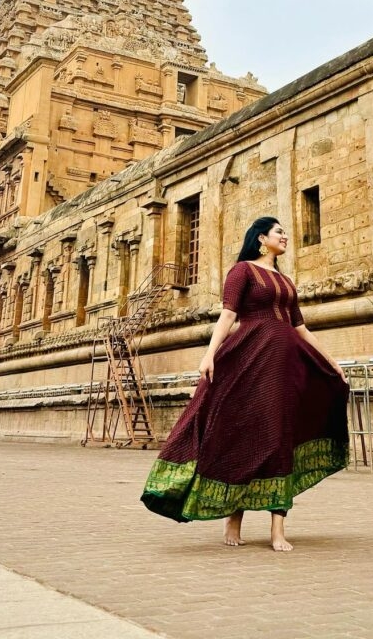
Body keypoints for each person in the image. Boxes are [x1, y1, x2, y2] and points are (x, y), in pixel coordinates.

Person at [141, 216, 349, 552]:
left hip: (285, 366)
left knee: (281, 435)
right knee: (247, 432)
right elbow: (228, 316)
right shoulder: (242, 271)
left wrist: (331, 360)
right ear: (260, 238)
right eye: (279, 232)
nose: (285, 236)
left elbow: (299, 327)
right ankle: (233, 518)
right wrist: (209, 355)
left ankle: (278, 530)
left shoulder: (285, 280)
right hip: (250, 361)